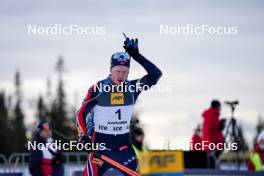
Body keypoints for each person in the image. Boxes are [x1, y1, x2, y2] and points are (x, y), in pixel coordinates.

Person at [76, 37, 162, 176]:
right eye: (118, 71)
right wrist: (83, 136)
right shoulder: (98, 88)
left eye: (125, 72)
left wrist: (136, 56)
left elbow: (156, 75)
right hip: (101, 148)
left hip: (124, 149)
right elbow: (81, 113)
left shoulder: (133, 88)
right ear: (111, 70)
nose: (121, 76)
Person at [202, 100, 225, 168]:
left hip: (208, 140)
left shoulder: (209, 113)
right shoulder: (213, 114)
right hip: (212, 141)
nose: (220, 109)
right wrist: (220, 126)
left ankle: (214, 167)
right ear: (217, 106)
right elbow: (214, 129)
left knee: (212, 158)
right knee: (212, 159)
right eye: (219, 107)